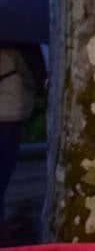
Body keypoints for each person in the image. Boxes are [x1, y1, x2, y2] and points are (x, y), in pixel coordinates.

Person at [0, 42, 43, 227]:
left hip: (9, 111)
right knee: (4, 164)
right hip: (9, 113)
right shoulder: (22, 45)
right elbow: (34, 75)